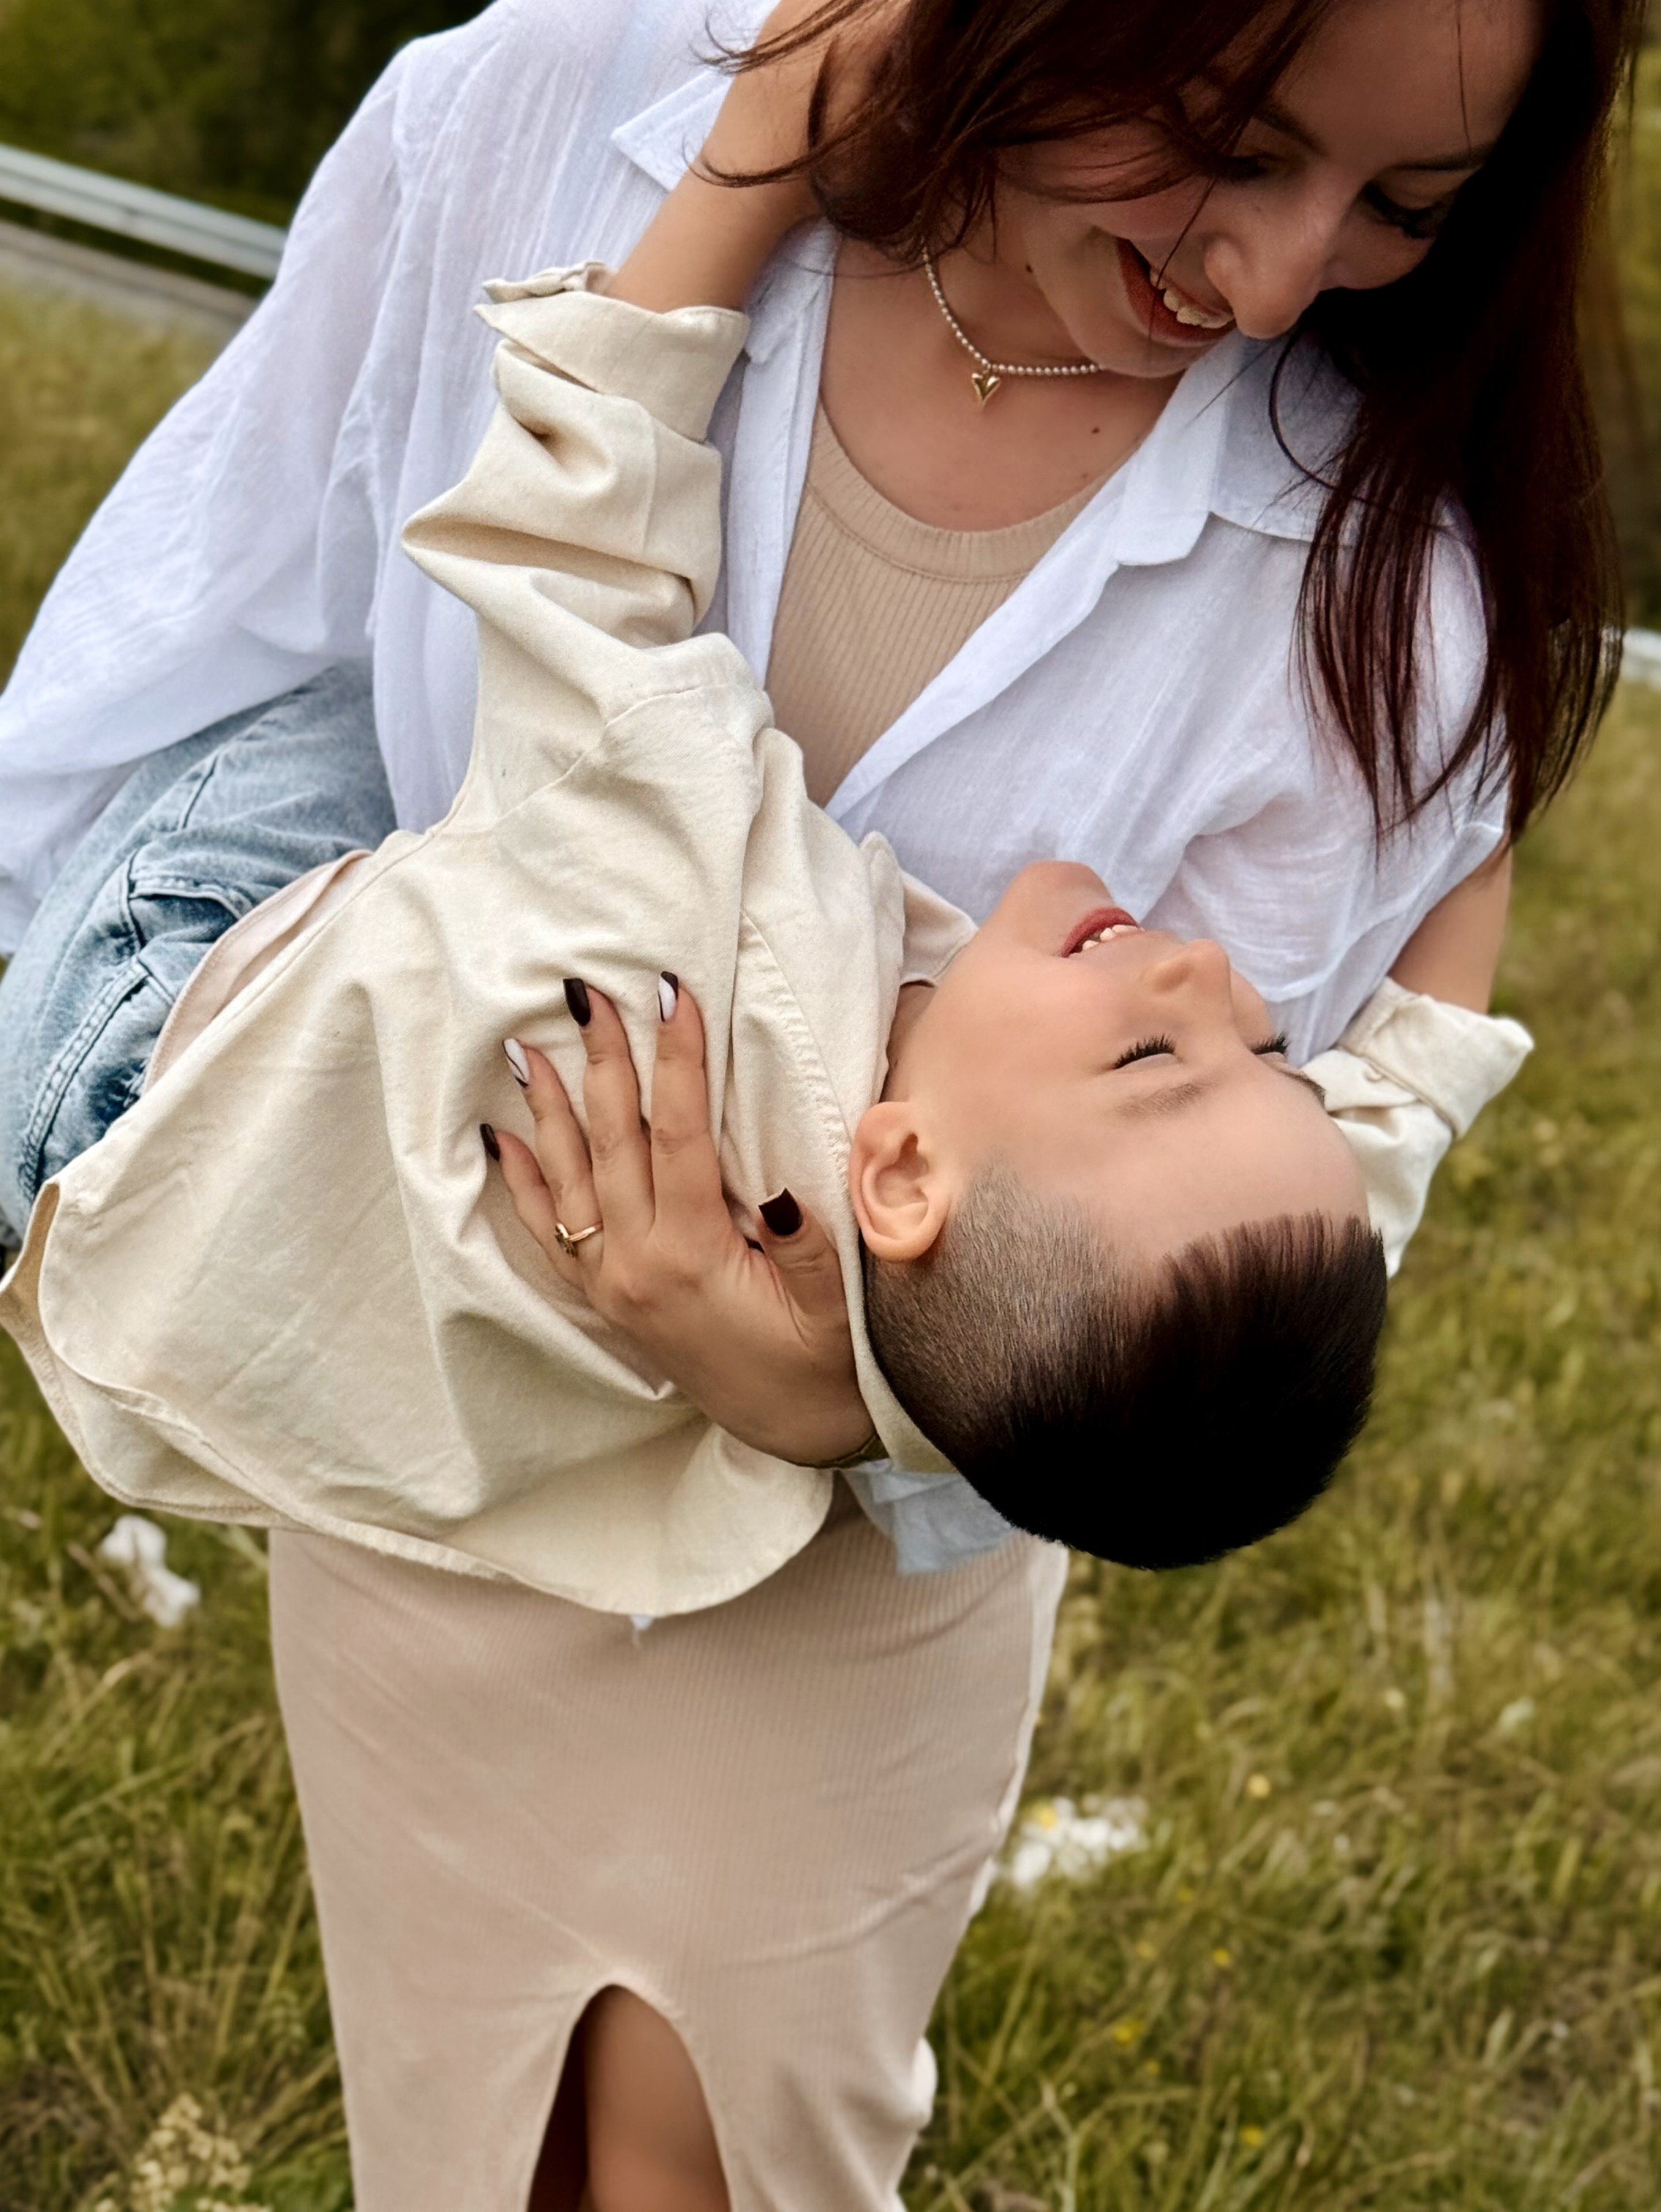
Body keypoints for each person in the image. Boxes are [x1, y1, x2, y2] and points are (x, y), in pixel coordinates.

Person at [0, 0, 1633, 2202]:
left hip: (865, 1597)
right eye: (1237, 145)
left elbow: (1250, 1234)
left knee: (745, 2143)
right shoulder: (546, 103)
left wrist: (853, 1404)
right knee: (462, 2112)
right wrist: (755, 166)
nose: (1267, 276)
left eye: (1398, 212)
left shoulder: (1366, 591)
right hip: (438, 1429)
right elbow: (203, 640)